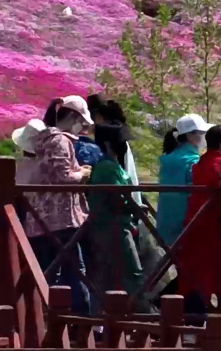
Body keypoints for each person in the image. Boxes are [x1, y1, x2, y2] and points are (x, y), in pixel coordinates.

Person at [30, 100, 92, 313]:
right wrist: (82, 173)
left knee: (53, 271)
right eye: (81, 122)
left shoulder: (46, 139)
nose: (82, 128)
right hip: (61, 216)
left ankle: (50, 318)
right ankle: (81, 322)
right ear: (73, 118)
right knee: (75, 269)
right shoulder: (60, 141)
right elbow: (63, 177)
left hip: (44, 216)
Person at [174, 124, 221, 319]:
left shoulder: (199, 164)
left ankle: (194, 315)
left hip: (196, 224)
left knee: (196, 275)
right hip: (217, 229)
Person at [85, 122, 144, 302]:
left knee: (112, 274)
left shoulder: (112, 164)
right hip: (113, 226)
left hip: (117, 225)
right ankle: (139, 314)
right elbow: (114, 198)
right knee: (131, 272)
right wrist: (134, 207)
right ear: (110, 144)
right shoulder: (107, 167)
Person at [156, 114, 209, 250]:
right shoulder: (193, 161)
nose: (204, 136)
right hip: (186, 224)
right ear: (190, 135)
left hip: (166, 221)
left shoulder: (168, 158)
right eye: (201, 133)